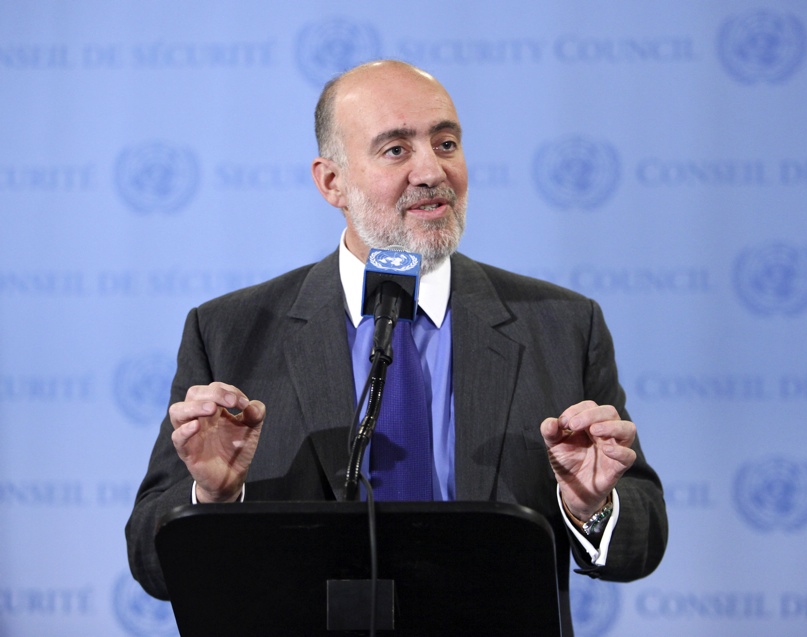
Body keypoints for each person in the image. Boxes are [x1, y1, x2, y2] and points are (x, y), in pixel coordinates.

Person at [125, 59, 667, 635]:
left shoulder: (561, 325)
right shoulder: (230, 331)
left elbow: (643, 537)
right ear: (331, 181)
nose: (432, 170)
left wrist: (590, 507)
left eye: (447, 142)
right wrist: (211, 500)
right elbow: (152, 560)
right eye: (396, 150)